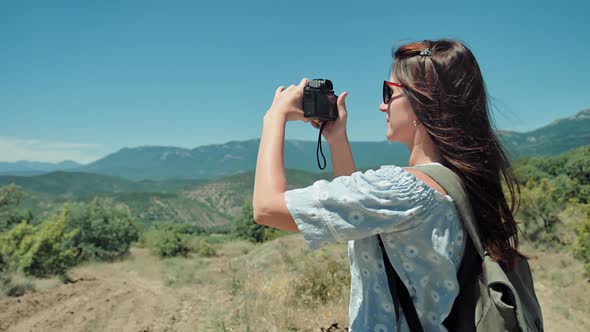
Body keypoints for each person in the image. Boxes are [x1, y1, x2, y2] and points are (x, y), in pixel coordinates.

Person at [252, 39, 522, 332]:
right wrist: (337, 139)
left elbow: (267, 208)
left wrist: (273, 117)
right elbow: (359, 215)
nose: (382, 106)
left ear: (422, 100)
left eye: (389, 92)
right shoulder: (456, 182)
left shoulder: (404, 191)